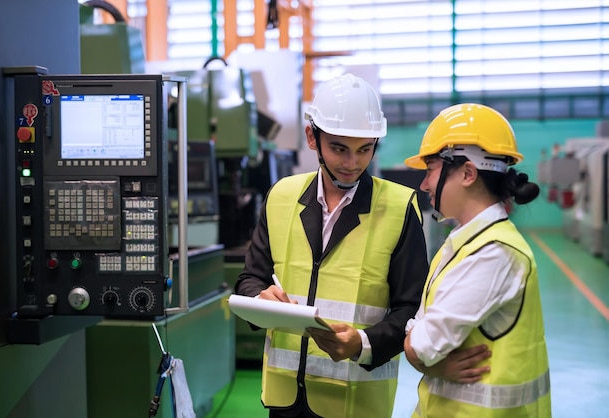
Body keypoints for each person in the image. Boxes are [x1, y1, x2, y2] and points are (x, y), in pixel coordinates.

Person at [234, 73, 429, 418]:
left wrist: (363, 344)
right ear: (313, 137)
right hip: (285, 399)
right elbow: (250, 279)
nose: (352, 163)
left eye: (364, 149)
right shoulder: (281, 197)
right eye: (339, 148)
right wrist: (258, 298)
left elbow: (411, 308)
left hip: (355, 402)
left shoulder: (400, 208)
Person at [403, 103, 552, 417]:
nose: (424, 184)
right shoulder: (466, 241)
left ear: (468, 173)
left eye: (430, 170)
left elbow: (420, 347)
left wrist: (416, 346)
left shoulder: (493, 253)